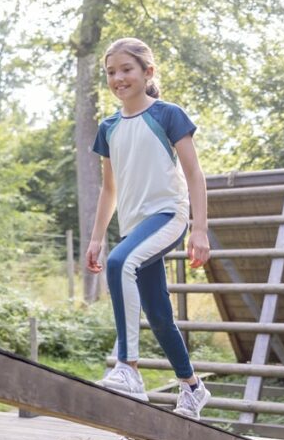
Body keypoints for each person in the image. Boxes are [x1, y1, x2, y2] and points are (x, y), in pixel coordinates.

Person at [85, 38, 211, 420]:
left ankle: (128, 367)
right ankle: (193, 388)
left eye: (127, 69)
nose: (118, 78)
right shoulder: (108, 128)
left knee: (120, 263)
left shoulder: (168, 115)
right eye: (111, 72)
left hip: (168, 214)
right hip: (135, 225)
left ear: (147, 72)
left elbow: (194, 173)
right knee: (158, 314)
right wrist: (95, 237)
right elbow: (110, 189)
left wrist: (200, 229)